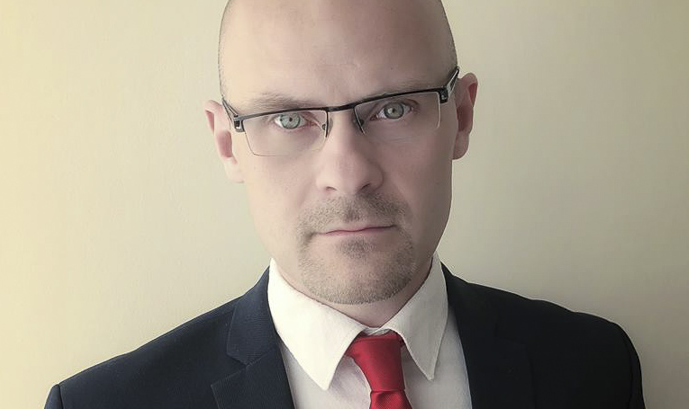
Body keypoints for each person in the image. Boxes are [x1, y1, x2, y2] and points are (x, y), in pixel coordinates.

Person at [45, 0, 645, 408]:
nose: (348, 175)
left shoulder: (594, 369)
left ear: (461, 116)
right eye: (288, 118)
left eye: (393, 109)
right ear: (228, 144)